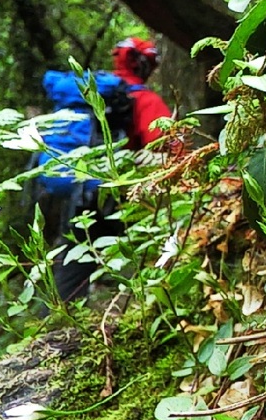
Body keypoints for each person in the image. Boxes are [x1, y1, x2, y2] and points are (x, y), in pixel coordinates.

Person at [47, 36, 173, 302]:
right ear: (145, 66)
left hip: (81, 192)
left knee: (76, 261)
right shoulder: (145, 101)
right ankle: (136, 312)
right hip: (121, 197)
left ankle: (57, 327)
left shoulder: (92, 92)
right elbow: (168, 150)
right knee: (143, 255)